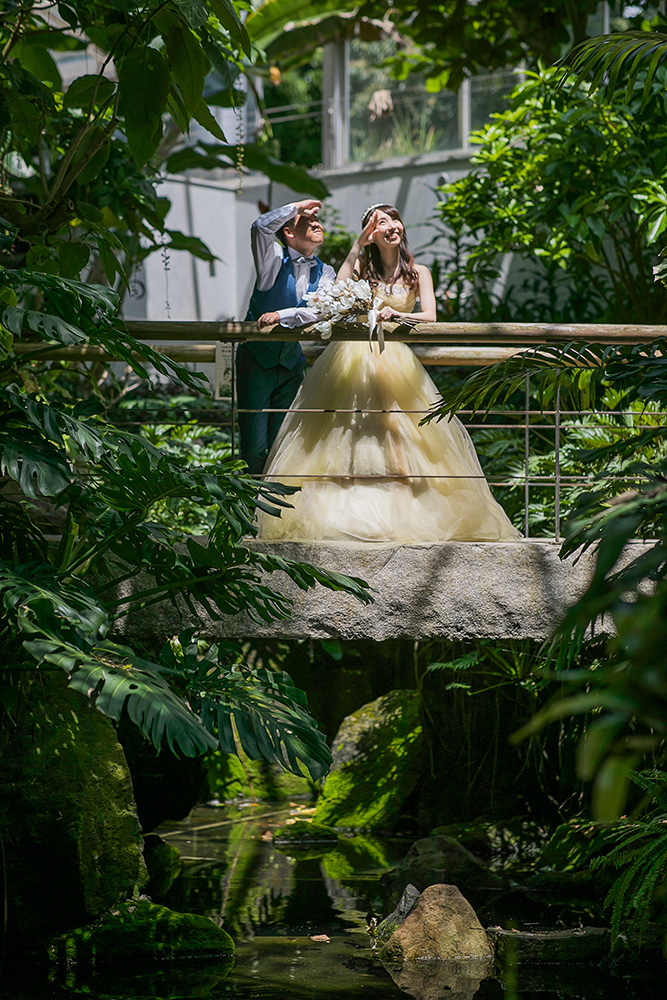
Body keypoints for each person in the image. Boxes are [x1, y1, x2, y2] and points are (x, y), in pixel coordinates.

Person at [258, 204, 521, 543]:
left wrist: (396, 317)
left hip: (397, 360)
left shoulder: (418, 272)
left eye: (394, 219)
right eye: (382, 223)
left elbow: (430, 316)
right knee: (349, 432)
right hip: (355, 359)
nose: (392, 226)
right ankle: (349, 512)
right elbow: (338, 285)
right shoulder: (363, 273)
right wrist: (357, 243)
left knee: (402, 435)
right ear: (373, 234)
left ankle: (407, 510)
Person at [237, 199, 336, 474]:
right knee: (254, 447)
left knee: (284, 443)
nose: (317, 222)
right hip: (256, 362)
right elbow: (259, 228)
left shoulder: (326, 271)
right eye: (307, 220)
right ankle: (249, 508)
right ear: (289, 233)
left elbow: (318, 311)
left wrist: (283, 315)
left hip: (292, 365)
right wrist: (296, 208)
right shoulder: (272, 262)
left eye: (316, 219)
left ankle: (274, 510)